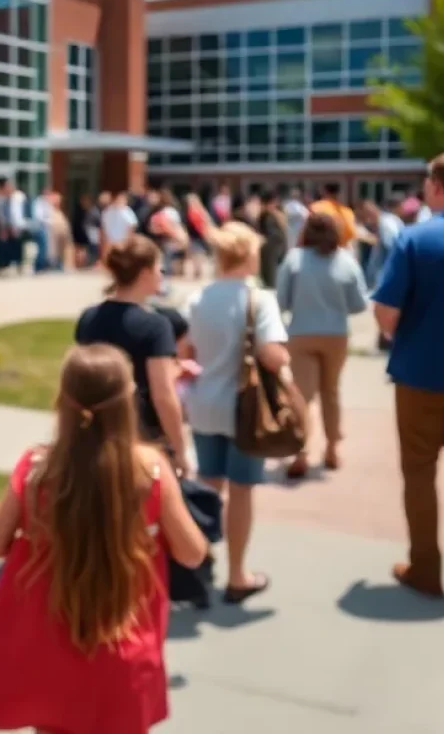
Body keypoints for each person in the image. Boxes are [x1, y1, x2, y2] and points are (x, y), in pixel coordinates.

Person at [0, 343, 209, 734]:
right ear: (129, 399)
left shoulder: (38, 468)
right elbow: (193, 553)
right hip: (122, 646)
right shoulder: (150, 470)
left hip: (47, 648)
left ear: (62, 400)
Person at [373, 152, 444, 605]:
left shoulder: (414, 239)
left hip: (420, 374)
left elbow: (386, 312)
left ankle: (426, 568)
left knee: (418, 473)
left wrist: (407, 335)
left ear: (435, 185)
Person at [184, 221, 289, 602]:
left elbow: (185, 353)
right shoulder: (259, 300)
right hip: (245, 411)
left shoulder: (195, 299)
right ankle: (237, 574)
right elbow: (272, 356)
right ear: (248, 255)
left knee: (208, 486)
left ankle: (200, 564)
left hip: (203, 404)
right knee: (242, 491)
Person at [76, 235, 188, 468]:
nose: (162, 274)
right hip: (141, 437)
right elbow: (163, 395)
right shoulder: (155, 326)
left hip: (94, 434)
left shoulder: (88, 318)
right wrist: (179, 449)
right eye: (159, 268)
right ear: (145, 273)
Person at [276, 212, 369, 479]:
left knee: (302, 396)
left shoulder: (294, 260)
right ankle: (332, 448)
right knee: (331, 391)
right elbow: (359, 304)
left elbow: (281, 300)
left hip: (301, 332)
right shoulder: (347, 261)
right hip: (336, 334)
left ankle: (301, 451)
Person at [257, 188, 288, 290]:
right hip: (274, 249)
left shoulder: (269, 215)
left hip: (272, 250)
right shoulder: (272, 215)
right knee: (271, 278)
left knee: (270, 278)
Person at [310, 182, 357, 248]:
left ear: (323, 190)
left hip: (320, 250)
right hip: (341, 250)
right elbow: (351, 234)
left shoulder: (316, 208)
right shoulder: (347, 211)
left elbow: (307, 233)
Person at [183, 192, 214, 280]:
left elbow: (202, 224)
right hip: (195, 236)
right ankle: (197, 272)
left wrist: (205, 233)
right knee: (196, 254)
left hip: (197, 236)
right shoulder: (195, 211)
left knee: (198, 254)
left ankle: (198, 273)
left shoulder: (196, 211)